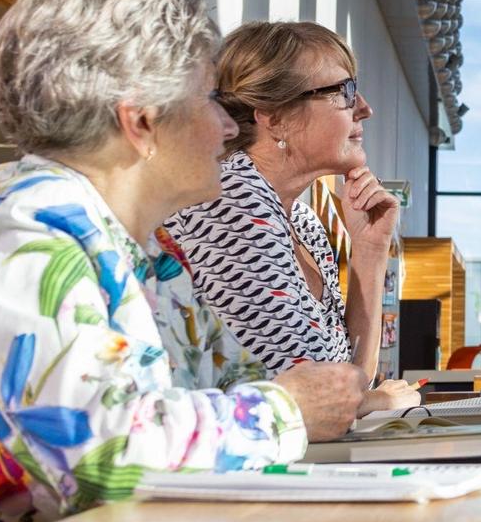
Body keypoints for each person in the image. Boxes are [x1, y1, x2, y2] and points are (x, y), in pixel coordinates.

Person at [0, 0, 365, 522]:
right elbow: (100, 460)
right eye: (211, 101)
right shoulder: (22, 228)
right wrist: (286, 409)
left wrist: (298, 399)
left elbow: (235, 381)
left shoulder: (142, 253)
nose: (226, 125)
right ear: (140, 122)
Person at [163, 21, 417, 410]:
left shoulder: (303, 224)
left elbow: (345, 383)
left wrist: (369, 251)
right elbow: (319, 402)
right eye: (344, 92)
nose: (364, 108)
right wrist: (376, 401)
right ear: (274, 116)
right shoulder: (229, 202)